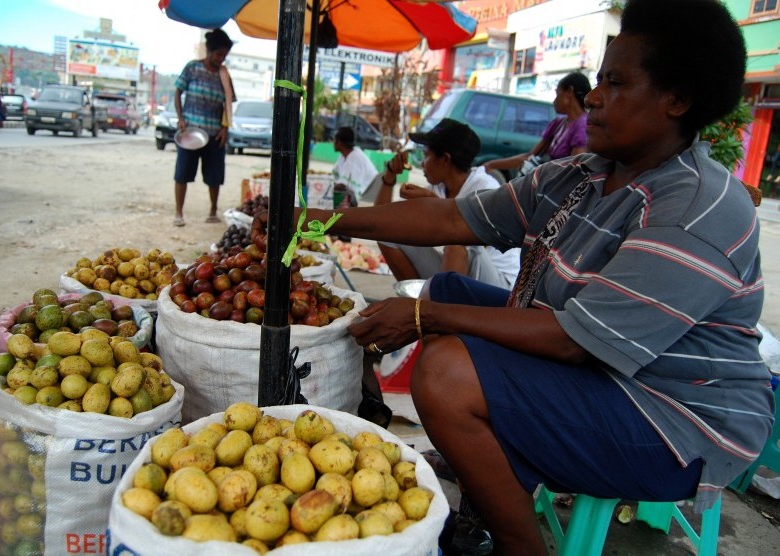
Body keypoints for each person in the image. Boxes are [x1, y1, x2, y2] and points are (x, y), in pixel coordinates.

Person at [252, 1, 774, 554]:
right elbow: (451, 217)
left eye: (616, 83)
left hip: (674, 417)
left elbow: (577, 341)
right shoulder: (583, 174)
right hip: (605, 369)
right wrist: (313, 219)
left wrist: (426, 319)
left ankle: (517, 544)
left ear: (677, 99)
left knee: (447, 373)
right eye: (598, 79)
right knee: (447, 289)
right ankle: (483, 466)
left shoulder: (696, 207)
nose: (592, 97)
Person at [369, 118, 520, 288]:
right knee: (390, 232)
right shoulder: (438, 186)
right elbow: (380, 221)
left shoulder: (485, 187)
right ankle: (419, 306)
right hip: (459, 275)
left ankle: (434, 311)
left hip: (498, 286)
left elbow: (478, 239)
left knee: (458, 243)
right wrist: (390, 175)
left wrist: (436, 204)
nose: (421, 163)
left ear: (445, 160)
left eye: (426, 155)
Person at [172, 28, 235, 227]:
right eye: (219, 54)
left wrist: (225, 128)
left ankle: (213, 211)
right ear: (209, 50)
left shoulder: (224, 76)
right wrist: (181, 118)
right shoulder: (192, 68)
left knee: (214, 176)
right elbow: (177, 93)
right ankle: (178, 213)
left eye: (224, 56)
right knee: (183, 174)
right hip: (190, 132)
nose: (221, 59)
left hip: (215, 133)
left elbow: (228, 104)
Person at [483, 71, 591, 179]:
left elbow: (573, 173)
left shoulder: (582, 126)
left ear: (569, 92)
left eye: (558, 94)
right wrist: (491, 164)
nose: (554, 101)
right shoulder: (558, 123)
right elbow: (529, 156)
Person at [330, 126, 378, 207]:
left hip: (368, 200)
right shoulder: (344, 156)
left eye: (334, 140)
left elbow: (345, 187)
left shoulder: (355, 158)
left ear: (340, 143)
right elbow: (335, 178)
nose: (333, 142)